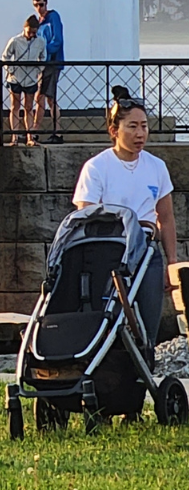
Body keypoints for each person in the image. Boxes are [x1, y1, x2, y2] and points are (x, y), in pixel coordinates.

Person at [72, 87, 176, 347]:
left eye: (144, 126)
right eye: (132, 127)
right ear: (114, 131)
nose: (140, 134)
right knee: (107, 321)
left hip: (147, 253)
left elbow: (166, 217)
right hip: (109, 251)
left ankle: (145, 368)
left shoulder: (156, 167)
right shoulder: (96, 168)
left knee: (148, 322)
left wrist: (171, 262)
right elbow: (85, 215)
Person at [1, 15, 46, 146]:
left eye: (34, 32)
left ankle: (30, 137)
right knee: (15, 106)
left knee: (29, 107)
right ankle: (14, 137)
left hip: (31, 78)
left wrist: (38, 70)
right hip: (16, 78)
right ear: (24, 29)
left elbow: (43, 57)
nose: (31, 34)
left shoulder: (40, 41)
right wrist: (11, 69)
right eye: (29, 31)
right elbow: (5, 56)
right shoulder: (15, 41)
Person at [33, 0, 65, 144]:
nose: (39, 8)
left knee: (48, 98)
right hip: (43, 65)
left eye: (41, 4)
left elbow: (57, 40)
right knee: (41, 97)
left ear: (46, 3)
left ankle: (54, 132)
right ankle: (34, 130)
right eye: (36, 5)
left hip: (52, 63)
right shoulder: (39, 21)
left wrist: (45, 52)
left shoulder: (53, 17)